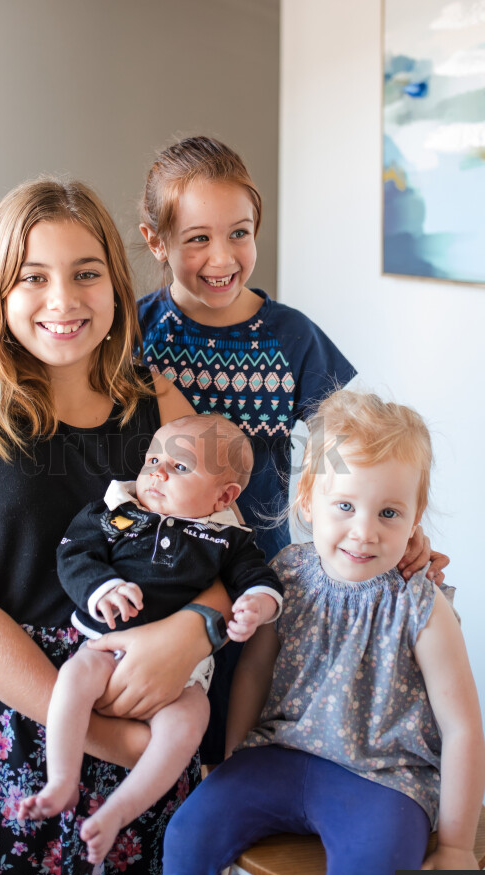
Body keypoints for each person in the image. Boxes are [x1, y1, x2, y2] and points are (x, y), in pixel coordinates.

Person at [0, 177, 236, 875]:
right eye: (33, 277)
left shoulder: (158, 400)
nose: (63, 299)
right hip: (7, 712)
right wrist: (110, 740)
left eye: (86, 273)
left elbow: (220, 550)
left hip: (142, 698)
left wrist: (193, 632)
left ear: (116, 285)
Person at [136, 135, 447, 762]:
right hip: (155, 573)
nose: (222, 256)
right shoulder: (136, 334)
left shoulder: (291, 338)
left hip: (259, 577)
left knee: (236, 732)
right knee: (158, 738)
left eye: (239, 233)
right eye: (197, 238)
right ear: (156, 241)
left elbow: (354, 449)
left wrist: (402, 525)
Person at [160, 390, 485, 875]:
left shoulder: (420, 604)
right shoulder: (287, 573)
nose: (364, 532)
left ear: (416, 515)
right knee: (186, 834)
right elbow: (254, 670)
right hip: (276, 755)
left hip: (384, 778)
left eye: (389, 512)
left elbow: (462, 727)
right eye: (346, 506)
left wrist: (457, 846)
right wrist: (234, 756)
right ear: (309, 500)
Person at [18, 413, 283, 864]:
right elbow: (75, 553)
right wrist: (103, 588)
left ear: (224, 496)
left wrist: (256, 606)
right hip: (108, 645)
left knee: (190, 722)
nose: (157, 473)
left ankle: (119, 810)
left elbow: (260, 579)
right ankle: (61, 778)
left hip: (186, 674)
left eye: (180, 467)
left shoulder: (228, 539)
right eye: (153, 461)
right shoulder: (116, 511)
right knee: (74, 677)